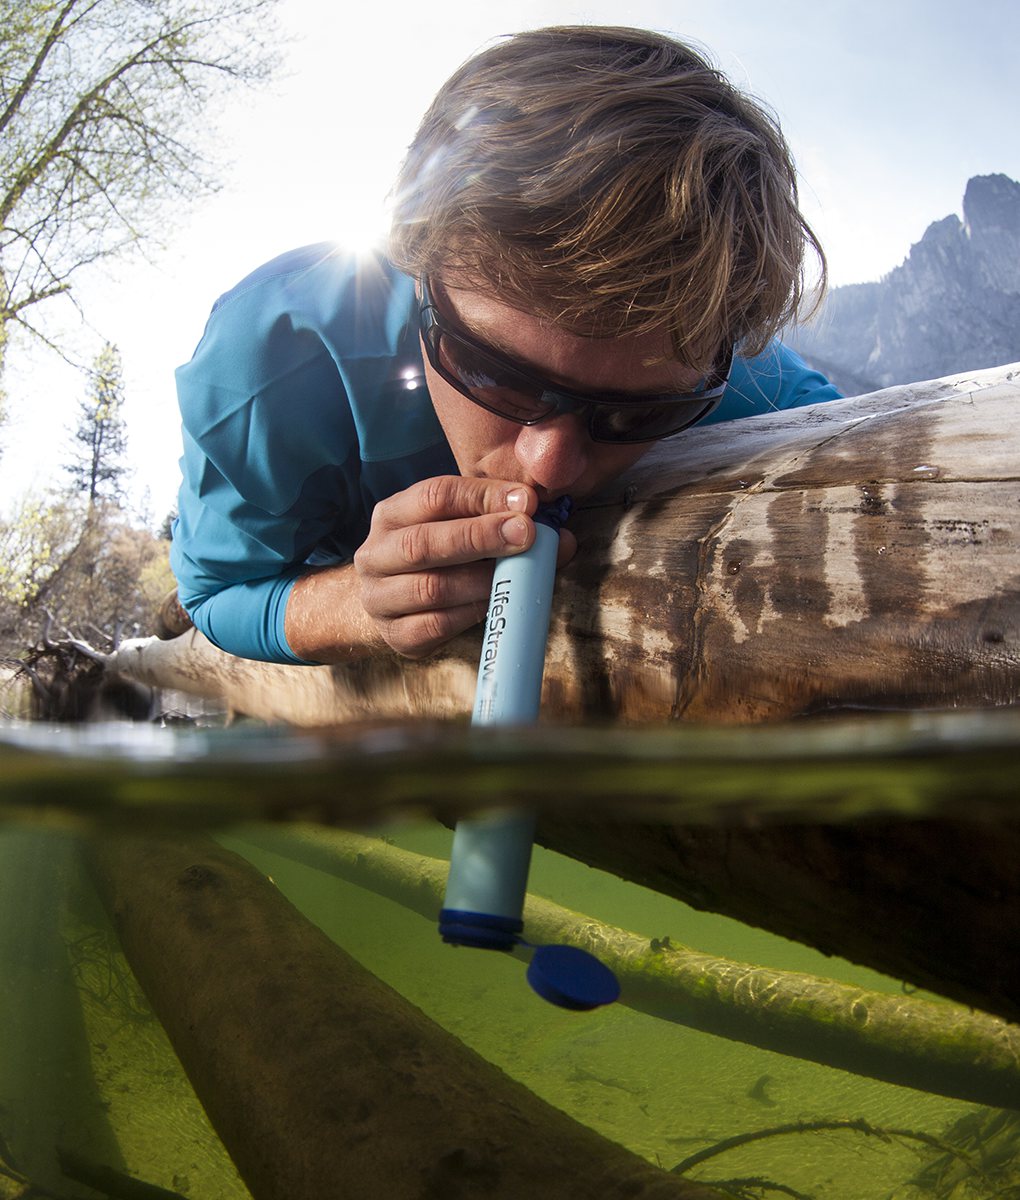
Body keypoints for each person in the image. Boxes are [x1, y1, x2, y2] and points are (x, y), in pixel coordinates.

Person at [169, 24, 840, 666]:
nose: (549, 466)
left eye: (638, 416)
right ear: (414, 261)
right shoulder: (275, 359)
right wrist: (358, 606)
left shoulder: (713, 363)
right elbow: (217, 594)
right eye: (495, 375)